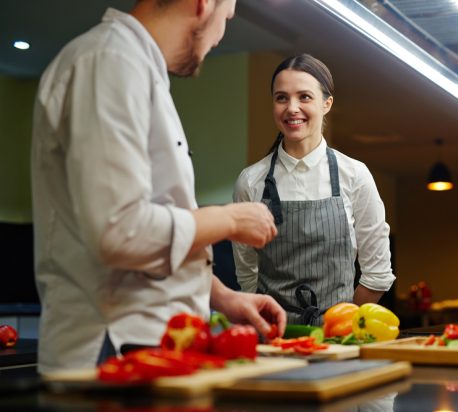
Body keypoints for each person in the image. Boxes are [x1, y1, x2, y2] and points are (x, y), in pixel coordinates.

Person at [30, 0, 285, 373]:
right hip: (112, 345)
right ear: (202, 4)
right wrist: (228, 219)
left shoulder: (135, 67)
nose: (220, 36)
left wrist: (223, 296)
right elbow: (120, 231)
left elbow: (152, 234)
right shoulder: (110, 62)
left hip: (146, 340)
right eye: (225, 18)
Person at [232, 54, 395, 325]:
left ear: (326, 103)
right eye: (281, 98)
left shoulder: (354, 176)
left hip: (339, 339)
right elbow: (247, 273)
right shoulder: (251, 182)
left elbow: (378, 274)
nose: (291, 108)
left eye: (304, 97)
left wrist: (341, 324)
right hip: (273, 339)